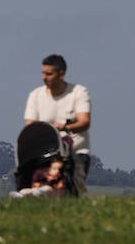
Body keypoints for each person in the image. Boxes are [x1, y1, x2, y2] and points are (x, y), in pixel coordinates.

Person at [24, 54, 92, 196]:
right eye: (43, 73)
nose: (44, 77)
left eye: (49, 74)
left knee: (74, 189)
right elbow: (29, 125)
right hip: (45, 153)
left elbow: (84, 121)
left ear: (61, 74)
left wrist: (65, 127)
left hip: (75, 152)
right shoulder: (35, 96)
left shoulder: (78, 92)